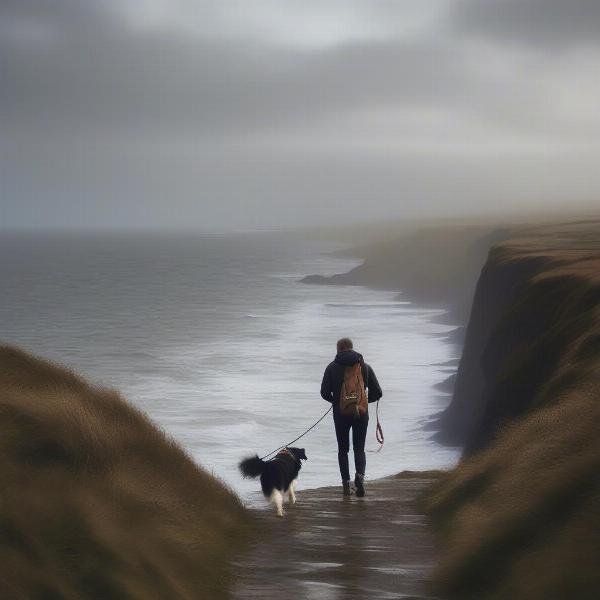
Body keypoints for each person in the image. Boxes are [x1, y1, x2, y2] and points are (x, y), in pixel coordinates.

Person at [320, 337, 382, 497]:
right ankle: (359, 478)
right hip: (361, 413)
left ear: (338, 349)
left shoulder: (332, 367)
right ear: (352, 348)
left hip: (341, 415)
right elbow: (378, 392)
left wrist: (337, 401)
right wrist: (365, 401)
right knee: (359, 448)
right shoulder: (365, 367)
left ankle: (346, 484)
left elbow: (324, 393)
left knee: (343, 450)